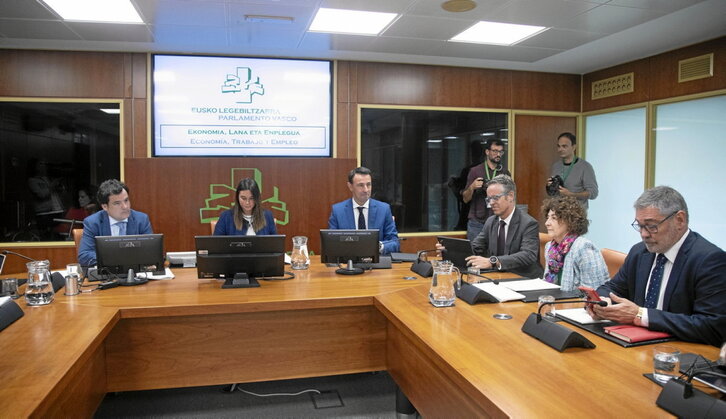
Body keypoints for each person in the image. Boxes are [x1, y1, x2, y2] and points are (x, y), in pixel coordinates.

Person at [589, 186, 726, 346]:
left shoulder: (709, 260)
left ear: (679, 220)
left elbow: (712, 327)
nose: (644, 234)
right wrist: (601, 303)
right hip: (635, 345)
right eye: (639, 226)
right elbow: (613, 287)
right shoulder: (640, 252)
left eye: (651, 226)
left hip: (678, 353)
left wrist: (640, 315)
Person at [438, 174, 542, 278]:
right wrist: (450, 250)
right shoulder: (491, 221)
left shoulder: (528, 223)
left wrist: (493, 261)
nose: (491, 203)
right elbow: (476, 247)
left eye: (496, 198)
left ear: (510, 196)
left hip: (523, 279)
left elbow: (528, 255)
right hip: (497, 277)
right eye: (488, 199)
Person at [78, 179, 153, 267]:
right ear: (105, 207)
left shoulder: (141, 219)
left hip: (136, 274)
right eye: (117, 203)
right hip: (107, 275)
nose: (125, 207)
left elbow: (151, 252)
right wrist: (117, 258)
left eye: (126, 200)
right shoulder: (93, 222)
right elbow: (84, 256)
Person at [541, 196, 609, 291]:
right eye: (547, 218)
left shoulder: (583, 247)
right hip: (556, 300)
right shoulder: (550, 247)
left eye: (554, 218)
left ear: (569, 221)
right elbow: (547, 283)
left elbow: (593, 291)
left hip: (578, 304)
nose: (547, 223)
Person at [328, 167, 400, 255]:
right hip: (348, 263)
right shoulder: (338, 211)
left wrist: (379, 246)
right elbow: (331, 243)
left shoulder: (384, 209)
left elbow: (395, 242)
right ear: (350, 186)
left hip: (376, 263)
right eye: (360, 185)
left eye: (368, 184)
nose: (366, 190)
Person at [462, 138, 511, 241]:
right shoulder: (475, 171)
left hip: (497, 222)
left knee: (495, 255)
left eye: (500, 151)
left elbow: (510, 199)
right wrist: (472, 187)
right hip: (477, 223)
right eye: (495, 151)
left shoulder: (505, 173)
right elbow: (465, 199)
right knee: (476, 254)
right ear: (487, 152)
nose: (498, 154)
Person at [548, 132, 598, 208]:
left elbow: (593, 193)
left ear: (573, 147)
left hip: (577, 215)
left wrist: (572, 194)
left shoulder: (585, 167)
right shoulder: (556, 166)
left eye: (564, 146)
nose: (560, 149)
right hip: (558, 212)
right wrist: (550, 186)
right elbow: (554, 193)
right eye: (559, 146)